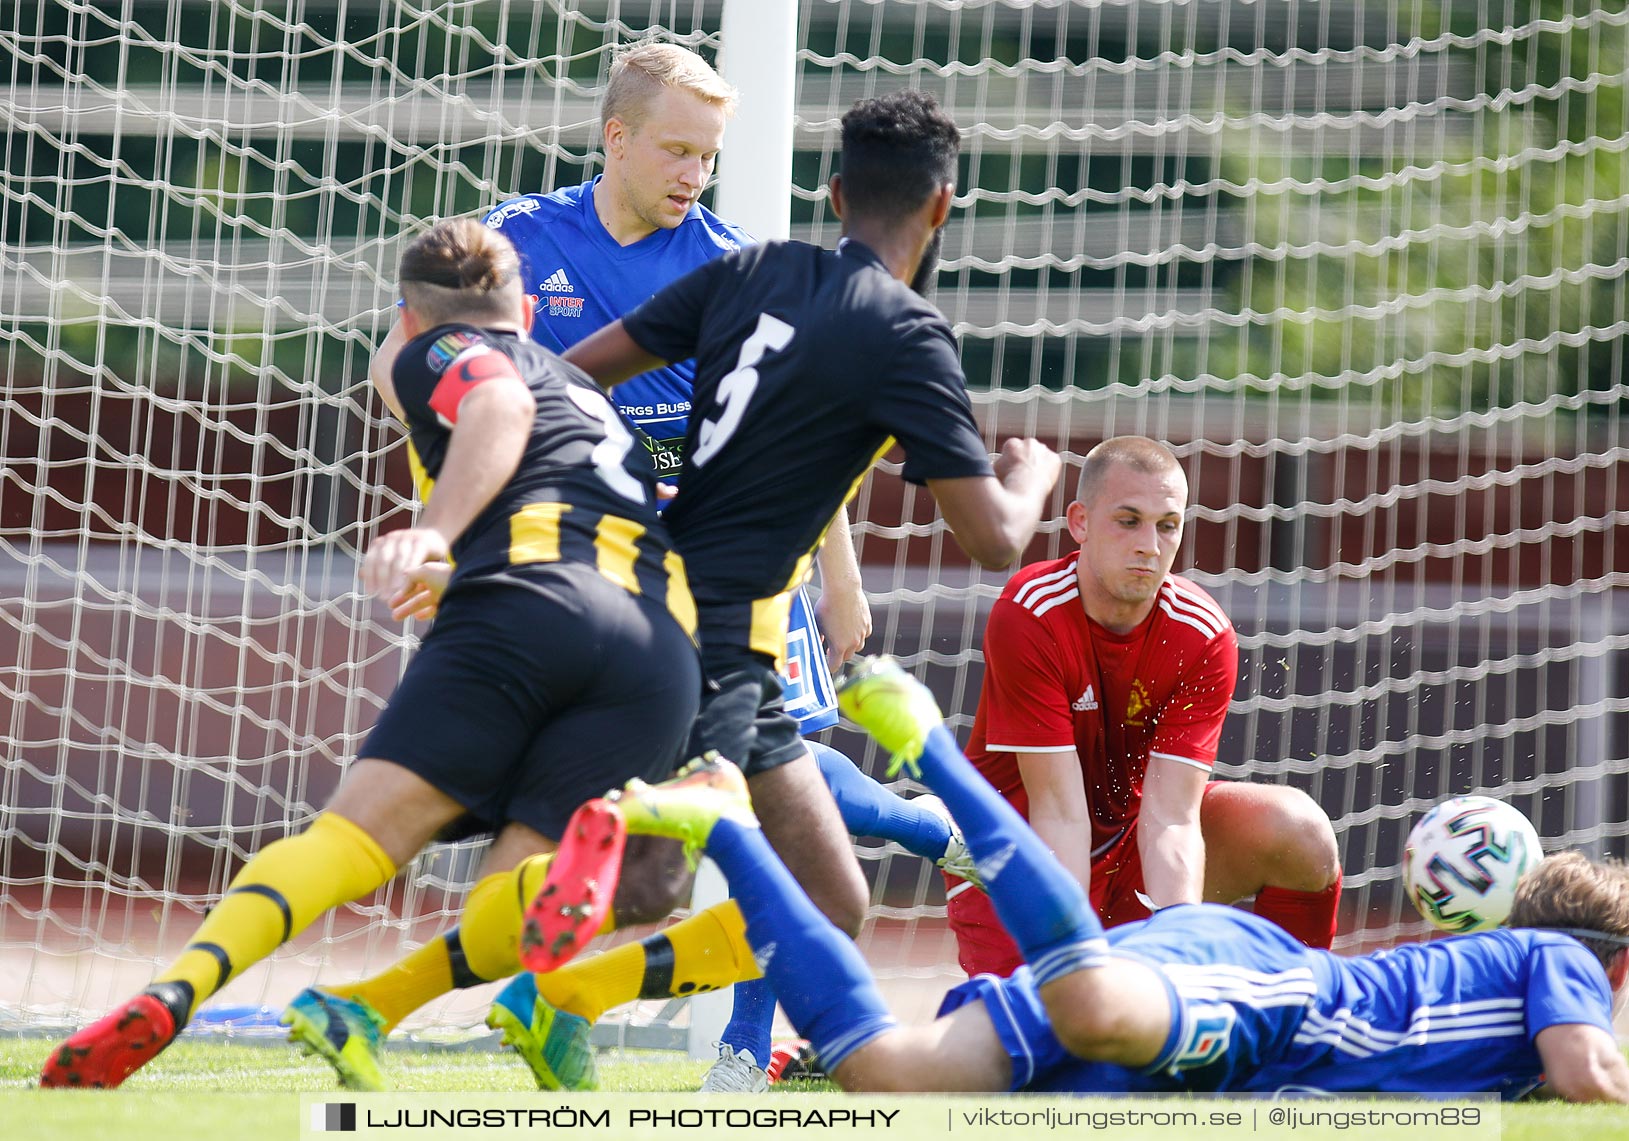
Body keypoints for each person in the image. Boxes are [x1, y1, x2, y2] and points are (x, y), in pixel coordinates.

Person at [310, 45, 959, 1094]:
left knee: (753, 797)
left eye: (707, 154)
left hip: (725, 570)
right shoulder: (518, 242)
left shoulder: (731, 262)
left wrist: (840, 578)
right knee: (697, 818)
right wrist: (465, 482)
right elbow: (400, 365)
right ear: (616, 139)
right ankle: (923, 827)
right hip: (575, 576)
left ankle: (727, 1048)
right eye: (676, 149)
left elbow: (800, 436)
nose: (694, 172)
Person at [39, 219, 701, 1090]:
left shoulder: (444, 352)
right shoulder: (584, 389)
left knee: (353, 841)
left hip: (530, 604)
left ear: (413, 318)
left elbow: (495, 404)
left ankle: (176, 990)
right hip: (660, 643)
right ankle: (589, 868)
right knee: (503, 906)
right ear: (533, 311)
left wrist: (436, 534)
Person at [542, 659, 1629, 1104]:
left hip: (1228, 997)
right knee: (1091, 994)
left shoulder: (1521, 1000)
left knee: (883, 1073)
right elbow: (1596, 1079)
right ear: (1617, 962)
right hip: (1269, 993)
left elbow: (1621, 1076)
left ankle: (723, 824)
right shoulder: (1565, 961)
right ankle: (926, 743)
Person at [511, 87, 1062, 1085]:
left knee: (833, 903)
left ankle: (570, 992)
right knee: (656, 882)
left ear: (835, 188)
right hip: (712, 626)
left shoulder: (749, 268)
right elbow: (993, 539)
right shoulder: (906, 336)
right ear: (943, 207)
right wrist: (1036, 473)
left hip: (682, 605)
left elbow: (570, 377)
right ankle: (535, 946)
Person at [951, 435, 1342, 975]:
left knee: (1299, 829)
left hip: (1133, 848)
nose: (1150, 546)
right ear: (1080, 522)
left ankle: (1296, 1023)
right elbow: (1058, 814)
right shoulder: (1031, 613)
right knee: (1061, 1050)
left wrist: (1176, 951)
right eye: (1128, 520)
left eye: (1167, 525)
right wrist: (1076, 962)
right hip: (1025, 857)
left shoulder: (1202, 635)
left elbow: (1171, 816)